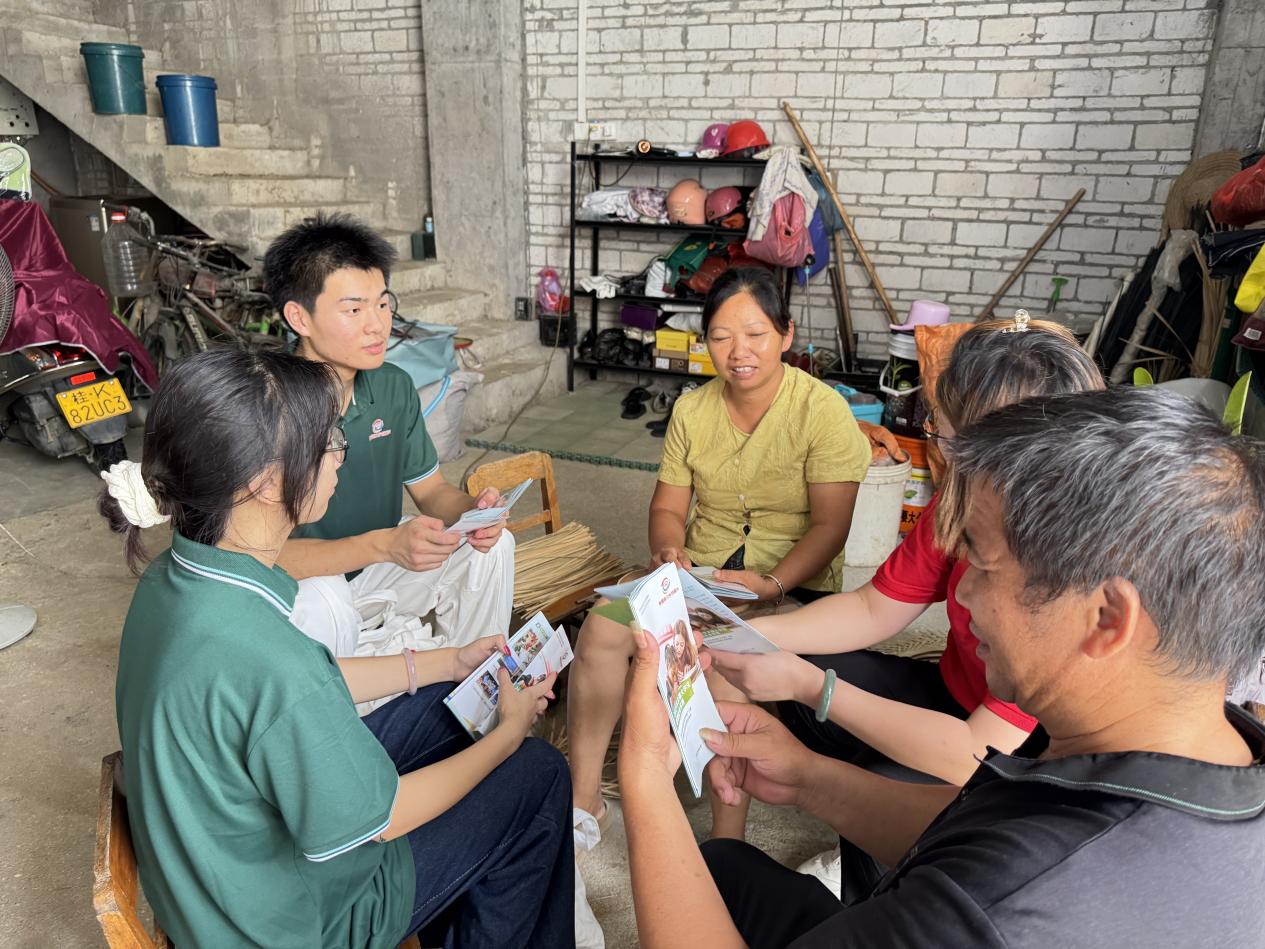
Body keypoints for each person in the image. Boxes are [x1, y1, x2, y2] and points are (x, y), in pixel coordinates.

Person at [621, 385, 1265, 948]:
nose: (961, 594)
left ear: (1106, 619)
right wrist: (809, 779)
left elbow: (986, 875)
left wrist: (647, 776)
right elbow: (986, 825)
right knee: (726, 869)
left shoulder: (991, 909)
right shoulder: (1209, 750)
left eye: (981, 563)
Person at [102, 350, 571, 948]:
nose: (339, 455)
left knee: (452, 707)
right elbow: (385, 818)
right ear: (264, 482)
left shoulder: (175, 578)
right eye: (328, 442)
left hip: (222, 874)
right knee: (536, 773)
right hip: (297, 924)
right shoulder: (271, 660)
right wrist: (508, 735)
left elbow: (294, 689)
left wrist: (448, 663)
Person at [708, 317, 1103, 896]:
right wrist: (750, 632)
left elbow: (976, 750)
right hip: (953, 695)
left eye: (944, 434)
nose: (935, 443)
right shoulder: (965, 499)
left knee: (884, 809)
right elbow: (874, 609)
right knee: (777, 675)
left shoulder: (1065, 569)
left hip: (1022, 756)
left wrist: (814, 689)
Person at [566, 266, 871, 843]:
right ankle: (585, 802)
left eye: (755, 334)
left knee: (724, 662)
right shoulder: (692, 410)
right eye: (721, 337)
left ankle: (727, 840)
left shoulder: (822, 411)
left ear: (786, 333)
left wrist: (772, 584)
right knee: (602, 629)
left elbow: (831, 528)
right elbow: (667, 507)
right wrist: (668, 550)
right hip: (701, 576)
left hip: (790, 583)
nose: (739, 352)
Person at [265, 213, 513, 657]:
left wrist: (474, 513)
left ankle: (477, 678)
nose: (377, 325)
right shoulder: (264, 406)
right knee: (325, 600)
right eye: (354, 310)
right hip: (302, 589)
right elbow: (257, 559)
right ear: (299, 317)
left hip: (378, 565)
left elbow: (431, 491)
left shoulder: (393, 386)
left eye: (382, 304)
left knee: (491, 549)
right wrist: (383, 546)